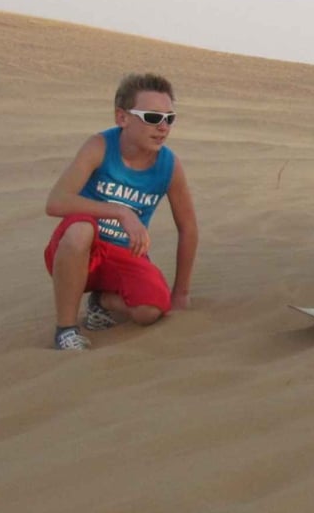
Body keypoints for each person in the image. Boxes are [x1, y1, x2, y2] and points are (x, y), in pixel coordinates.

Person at [43, 73, 199, 350]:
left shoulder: (169, 166)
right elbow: (56, 202)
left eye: (169, 118)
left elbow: (188, 227)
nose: (163, 127)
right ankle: (66, 330)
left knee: (151, 309)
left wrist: (181, 293)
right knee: (81, 229)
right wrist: (120, 212)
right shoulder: (99, 147)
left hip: (124, 255)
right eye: (152, 117)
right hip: (78, 252)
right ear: (122, 118)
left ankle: (101, 301)